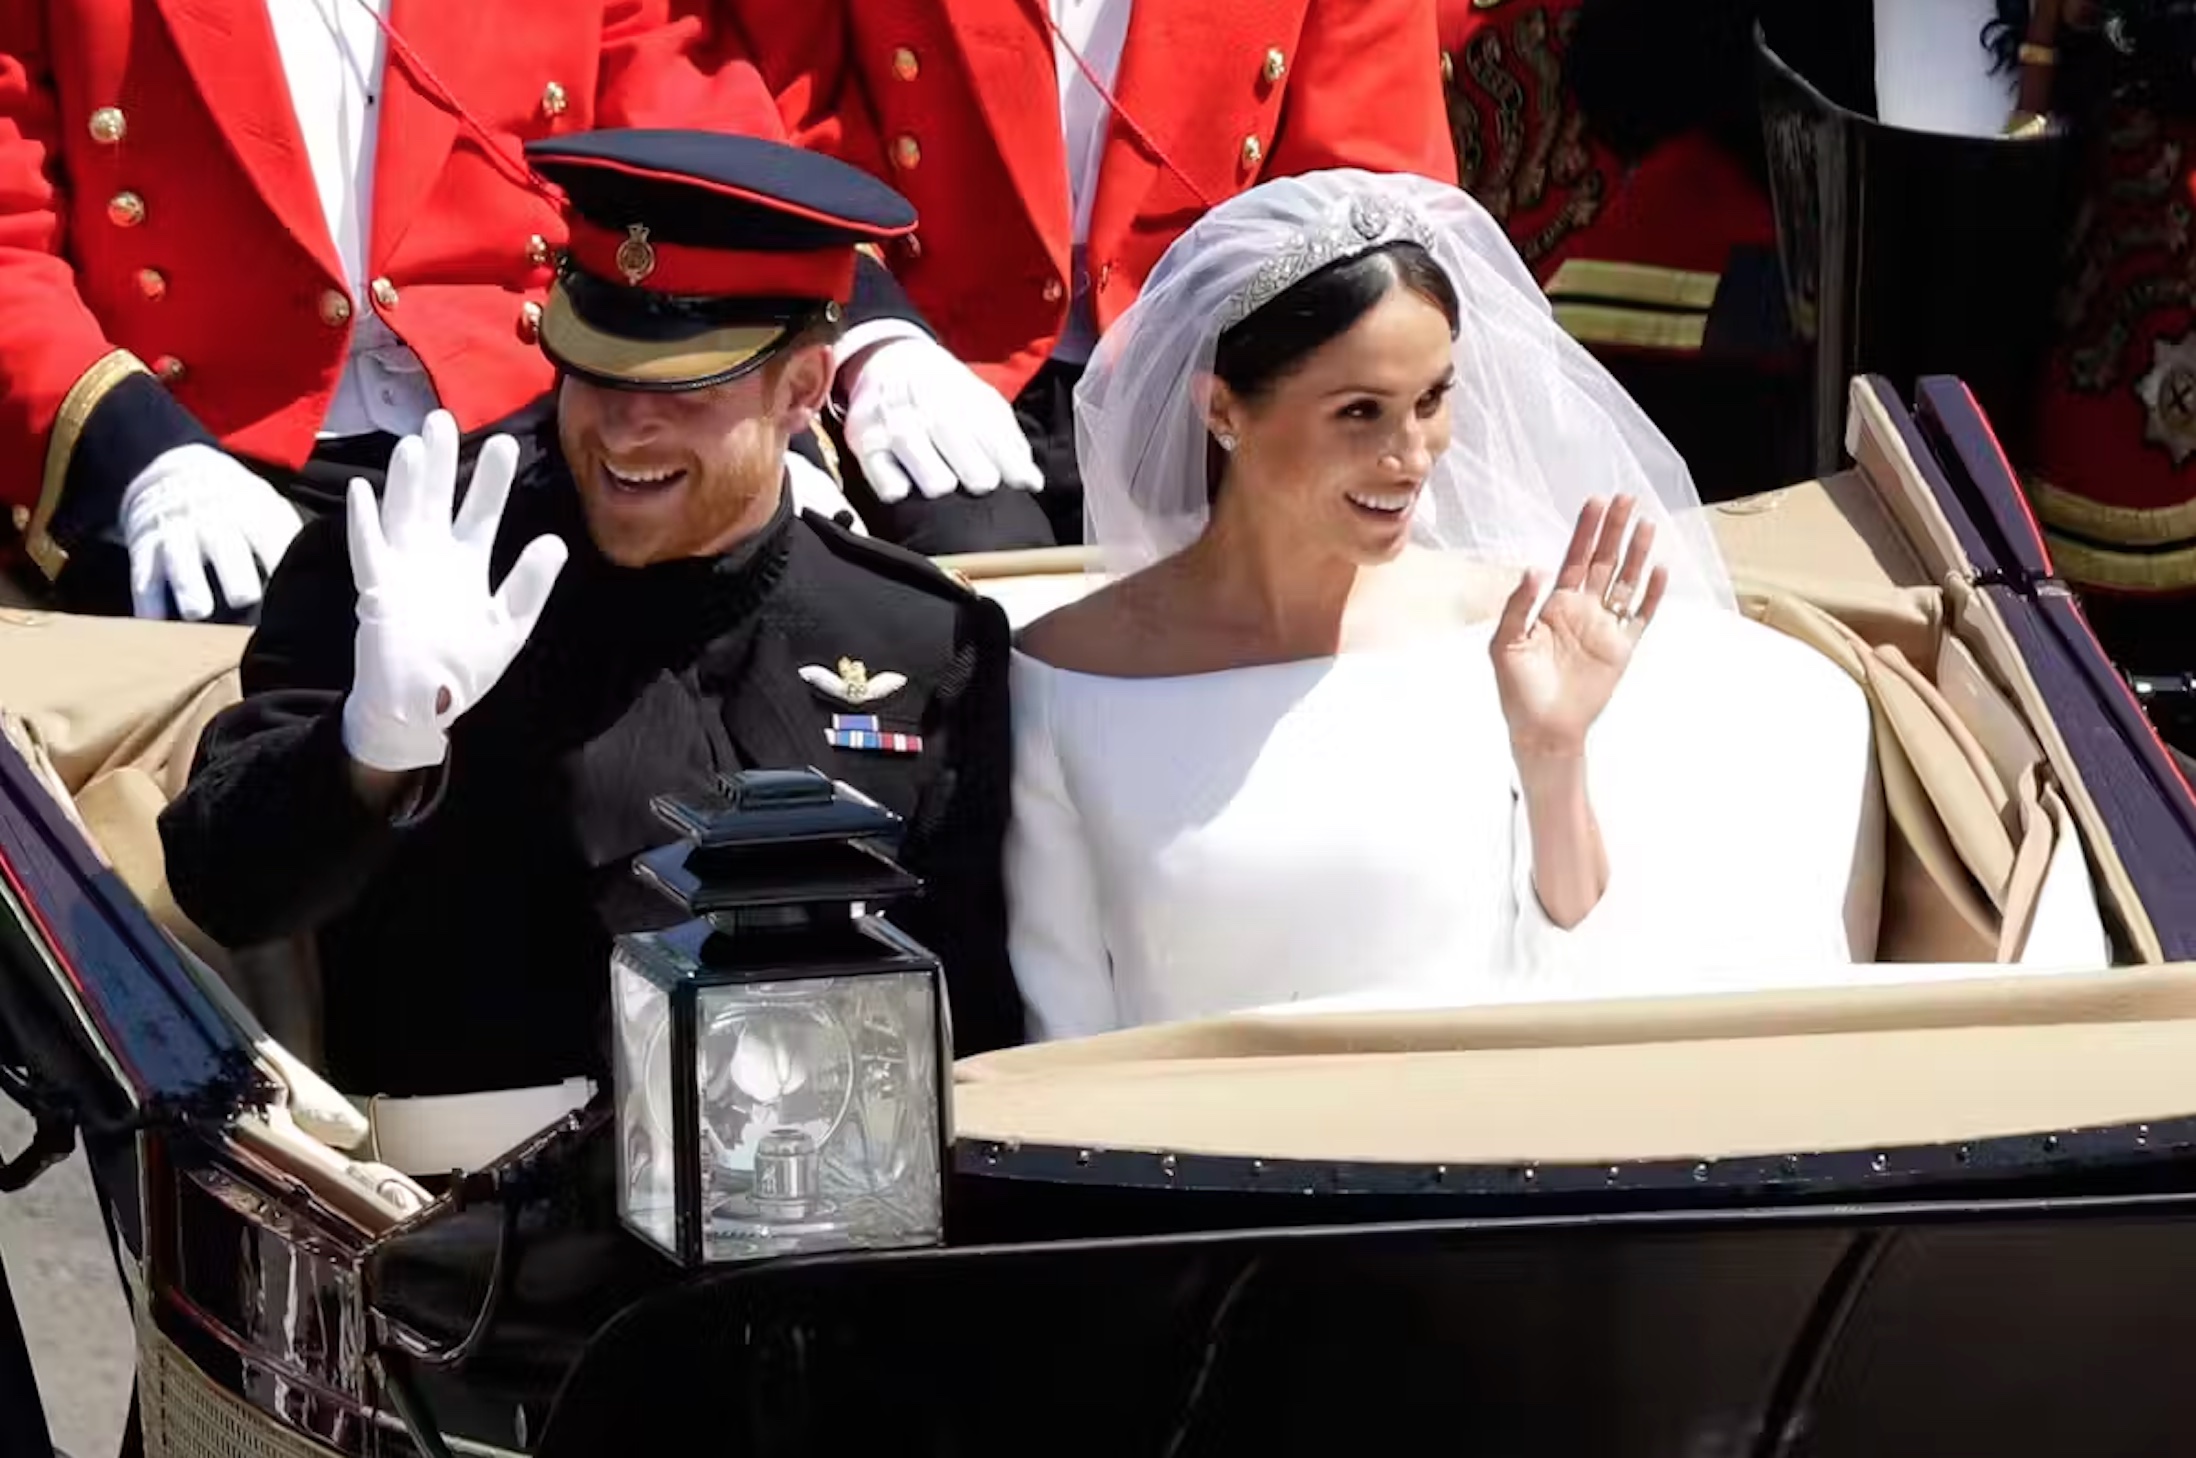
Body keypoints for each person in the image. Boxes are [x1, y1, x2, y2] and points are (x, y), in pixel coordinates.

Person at [156, 130, 1019, 1175]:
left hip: (813, 1243)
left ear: (802, 391)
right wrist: (370, 747)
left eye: (685, 397)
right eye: (598, 377)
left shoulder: (914, 636)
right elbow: (225, 887)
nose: (625, 434)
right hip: (478, 1253)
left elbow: (968, 1024)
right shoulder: (415, 565)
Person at [1004, 169, 1881, 1039]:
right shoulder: (1063, 681)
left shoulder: (1516, 630)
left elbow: (1589, 990)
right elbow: (1061, 1032)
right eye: (1360, 412)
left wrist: (1552, 751)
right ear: (1225, 410)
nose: (1412, 454)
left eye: (1431, 401)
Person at [0, 0, 1008, 623]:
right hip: (215, 453)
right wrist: (138, 457)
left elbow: (683, 112)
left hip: (531, 423)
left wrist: (827, 356)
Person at [720, 0, 1458, 553]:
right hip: (934, 342)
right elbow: (782, 98)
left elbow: (1364, 174)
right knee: (967, 592)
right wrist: (873, 334)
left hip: (1215, 358)